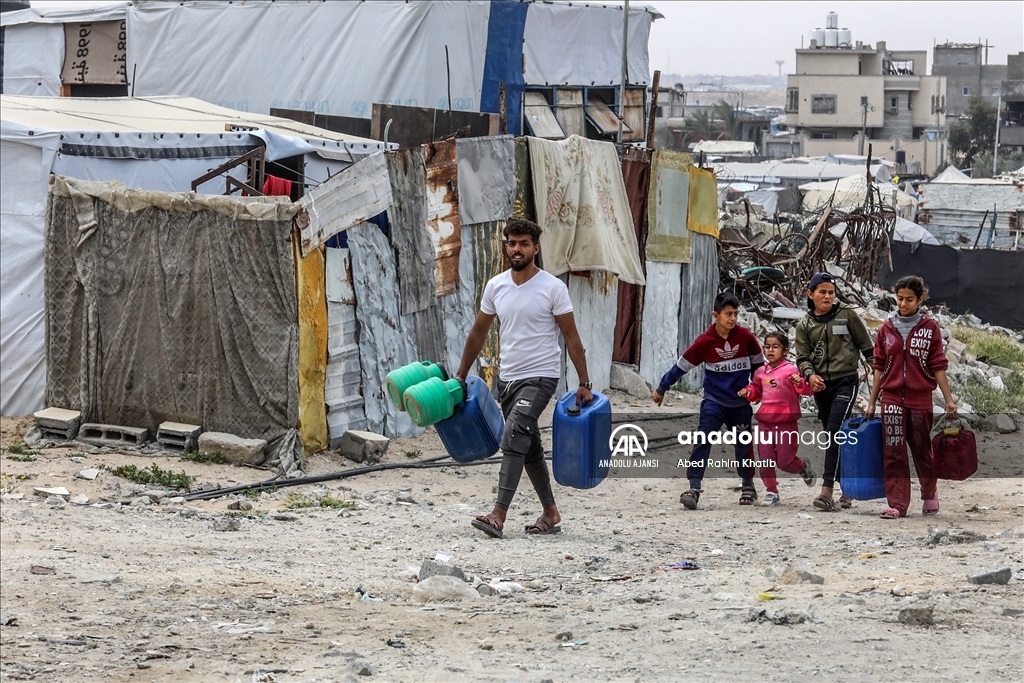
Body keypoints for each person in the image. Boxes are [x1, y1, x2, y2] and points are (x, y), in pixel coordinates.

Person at [456, 219, 592, 539]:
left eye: (524, 243)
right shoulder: (496, 286)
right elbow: (479, 332)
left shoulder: (552, 288)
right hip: (508, 378)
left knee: (514, 433)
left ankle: (498, 514)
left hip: (541, 376)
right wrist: (460, 374)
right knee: (528, 445)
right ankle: (550, 511)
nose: (517, 249)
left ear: (536, 248)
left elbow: (571, 337)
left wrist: (584, 383)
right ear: (506, 246)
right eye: (512, 243)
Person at [651, 292, 764, 508]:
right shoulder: (705, 342)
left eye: (735, 314)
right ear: (716, 315)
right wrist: (662, 387)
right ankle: (693, 488)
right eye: (728, 314)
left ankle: (748, 485)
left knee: (743, 445)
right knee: (702, 441)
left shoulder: (746, 338)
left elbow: (760, 370)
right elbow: (681, 367)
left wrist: (757, 390)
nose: (732, 318)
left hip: (740, 405)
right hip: (714, 402)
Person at [865, 275, 957, 519]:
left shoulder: (930, 329)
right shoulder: (886, 329)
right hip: (892, 399)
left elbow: (938, 365)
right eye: (900, 298)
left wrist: (948, 400)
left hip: (920, 400)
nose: (903, 304)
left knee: (921, 450)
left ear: (920, 299)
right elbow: (879, 367)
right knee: (893, 452)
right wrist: (873, 401)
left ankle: (929, 493)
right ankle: (897, 504)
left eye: (909, 299)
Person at [794, 272, 873, 512]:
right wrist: (810, 375)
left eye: (831, 292)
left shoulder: (846, 315)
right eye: (822, 292)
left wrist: (878, 369)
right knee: (833, 436)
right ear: (811, 294)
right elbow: (802, 358)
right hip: (821, 387)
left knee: (834, 432)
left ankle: (827, 491)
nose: (828, 296)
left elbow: (866, 346)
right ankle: (847, 489)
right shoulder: (804, 325)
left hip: (846, 382)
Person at [738, 332, 817, 506]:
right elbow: (757, 391)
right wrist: (748, 392)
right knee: (765, 461)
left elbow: (807, 390)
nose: (770, 350)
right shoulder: (760, 372)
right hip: (765, 423)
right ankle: (772, 492)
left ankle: (802, 467)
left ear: (786, 350)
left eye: (775, 347)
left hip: (786, 423)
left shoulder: (792, 370)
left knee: (785, 462)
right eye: (767, 347)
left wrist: (799, 383)